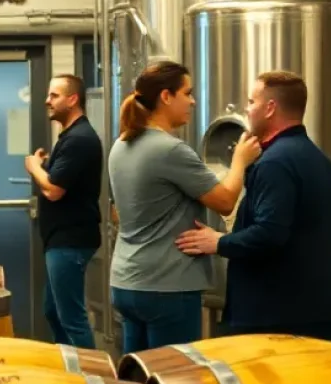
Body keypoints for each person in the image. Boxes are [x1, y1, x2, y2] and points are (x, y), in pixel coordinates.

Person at [176, 70, 331, 341]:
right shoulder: (320, 160)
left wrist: (219, 243)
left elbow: (270, 234)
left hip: (278, 316)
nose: (247, 110)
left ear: (270, 108)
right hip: (317, 311)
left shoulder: (275, 163)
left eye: (251, 102)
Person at [109, 61, 261, 352]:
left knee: (139, 377)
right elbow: (226, 202)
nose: (193, 101)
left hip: (127, 281)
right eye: (187, 93)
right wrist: (240, 160)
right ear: (166, 97)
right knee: (175, 379)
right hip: (167, 287)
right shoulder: (170, 150)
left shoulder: (121, 145)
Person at [23, 74, 103, 349]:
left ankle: (90, 379)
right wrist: (45, 169)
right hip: (60, 239)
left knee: (72, 318)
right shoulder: (69, 137)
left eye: (54, 95)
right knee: (53, 312)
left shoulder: (79, 139)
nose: (47, 101)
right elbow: (59, 181)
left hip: (71, 240)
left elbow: (54, 190)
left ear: (73, 99)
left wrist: (34, 167)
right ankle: (69, 367)